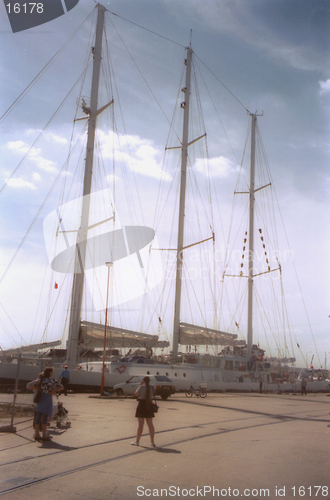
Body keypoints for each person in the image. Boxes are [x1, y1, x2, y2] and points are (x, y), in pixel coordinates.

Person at [34, 367, 63, 441]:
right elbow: (62, 387)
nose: (53, 373)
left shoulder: (41, 380)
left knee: (38, 416)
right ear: (50, 373)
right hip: (47, 399)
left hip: (40, 399)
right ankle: (44, 435)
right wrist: (54, 390)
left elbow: (31, 385)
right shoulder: (52, 380)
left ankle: (37, 434)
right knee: (45, 417)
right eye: (52, 372)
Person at [131, 376, 156, 447]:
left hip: (142, 405)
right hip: (149, 404)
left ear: (143, 380)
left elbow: (136, 394)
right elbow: (152, 394)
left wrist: (140, 385)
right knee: (150, 424)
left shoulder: (141, 387)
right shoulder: (152, 387)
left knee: (140, 425)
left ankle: (137, 441)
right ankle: (152, 441)